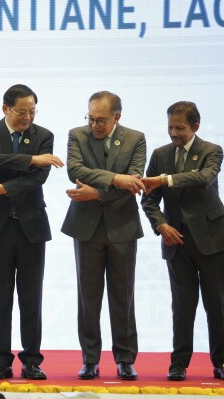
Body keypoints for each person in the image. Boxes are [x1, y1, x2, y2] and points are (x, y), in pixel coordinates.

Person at [0, 84, 64, 380]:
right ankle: (1, 360)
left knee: (31, 295)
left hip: (31, 225)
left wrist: (5, 188)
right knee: (0, 296)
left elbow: (38, 179)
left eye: (32, 111)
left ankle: (32, 360)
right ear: (5, 109)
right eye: (22, 111)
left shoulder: (43, 135)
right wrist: (32, 159)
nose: (27, 117)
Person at [61, 91, 146, 381]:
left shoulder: (136, 138)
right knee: (89, 297)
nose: (94, 125)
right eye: (91, 118)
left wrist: (96, 191)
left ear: (117, 118)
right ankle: (90, 360)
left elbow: (134, 181)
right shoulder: (77, 135)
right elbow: (75, 169)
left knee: (123, 296)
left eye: (101, 120)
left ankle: (125, 359)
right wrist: (114, 178)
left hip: (122, 226)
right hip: (86, 228)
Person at [140, 101, 224, 382]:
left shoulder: (212, 151)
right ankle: (178, 364)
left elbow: (203, 178)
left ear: (195, 127)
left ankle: (221, 361)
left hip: (212, 241)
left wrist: (164, 179)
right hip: (176, 243)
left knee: (218, 305)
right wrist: (161, 225)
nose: (173, 133)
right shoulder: (160, 154)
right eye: (170, 128)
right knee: (182, 307)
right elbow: (149, 199)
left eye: (180, 128)